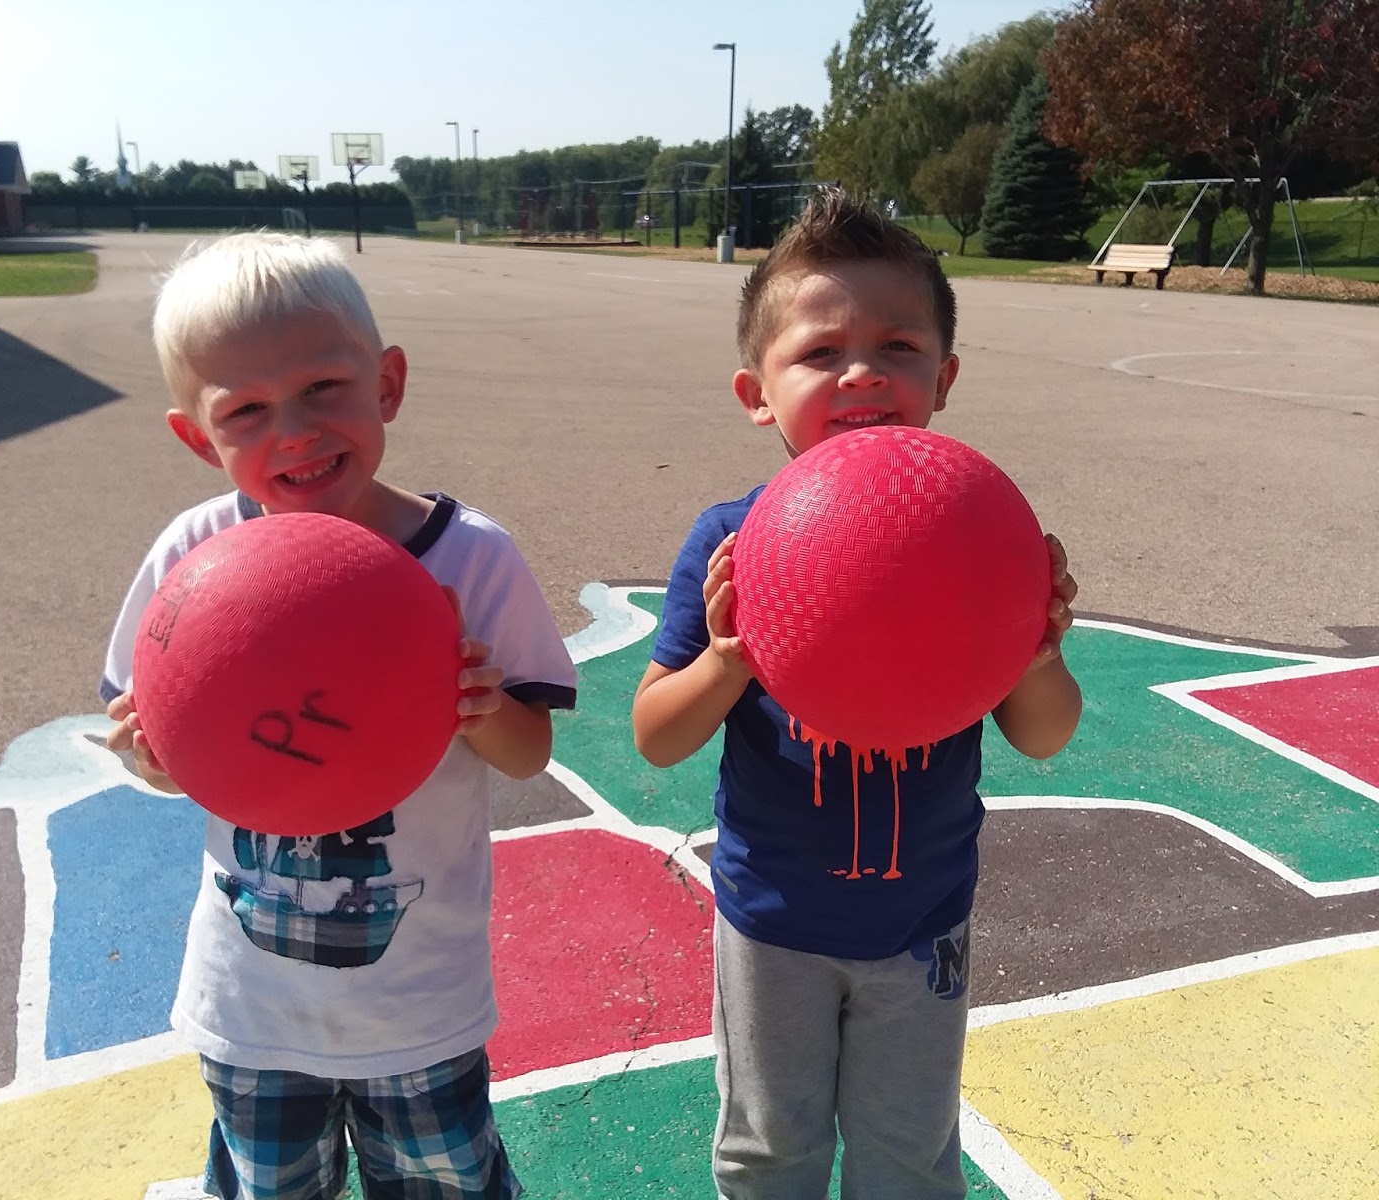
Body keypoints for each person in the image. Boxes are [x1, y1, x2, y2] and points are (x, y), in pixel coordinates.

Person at [100, 232, 577, 1200]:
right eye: (245, 410)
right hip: (252, 1004)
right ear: (197, 437)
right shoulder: (196, 555)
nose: (295, 432)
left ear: (386, 384)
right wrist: (151, 754)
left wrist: (478, 705)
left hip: (418, 1004)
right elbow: (153, 735)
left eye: (324, 387)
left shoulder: (470, 558)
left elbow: (530, 752)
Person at [632, 187, 1083, 1200]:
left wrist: (1036, 653)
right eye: (821, 352)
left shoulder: (972, 534)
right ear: (757, 392)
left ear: (944, 376)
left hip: (922, 924)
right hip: (772, 925)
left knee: (908, 1157)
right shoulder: (731, 542)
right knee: (769, 1151)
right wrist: (728, 659)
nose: (862, 372)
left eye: (897, 347)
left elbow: (1045, 735)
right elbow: (656, 735)